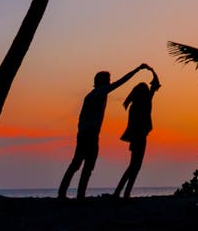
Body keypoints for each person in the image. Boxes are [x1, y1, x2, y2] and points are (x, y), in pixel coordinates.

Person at [57, 63, 149, 199]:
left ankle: (67, 193)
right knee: (85, 165)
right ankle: (75, 194)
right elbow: (121, 82)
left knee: (78, 164)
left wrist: (82, 131)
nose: (110, 82)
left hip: (84, 134)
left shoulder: (90, 96)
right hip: (90, 135)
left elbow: (81, 117)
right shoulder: (100, 92)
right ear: (102, 82)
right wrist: (136, 70)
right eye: (108, 80)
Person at [112, 66, 162, 199]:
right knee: (135, 166)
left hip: (136, 137)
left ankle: (121, 192)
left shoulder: (135, 106)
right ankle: (122, 192)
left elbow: (155, 85)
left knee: (133, 166)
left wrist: (150, 70)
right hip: (139, 137)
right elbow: (156, 84)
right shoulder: (145, 102)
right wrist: (152, 71)